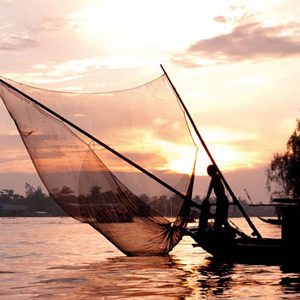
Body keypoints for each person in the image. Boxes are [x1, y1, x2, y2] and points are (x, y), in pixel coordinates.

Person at [205, 164, 229, 231]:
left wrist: (206, 199)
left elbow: (210, 189)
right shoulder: (217, 176)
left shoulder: (215, 177)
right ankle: (224, 232)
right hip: (222, 200)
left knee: (221, 220)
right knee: (221, 220)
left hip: (222, 200)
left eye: (208, 171)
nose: (208, 173)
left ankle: (226, 232)